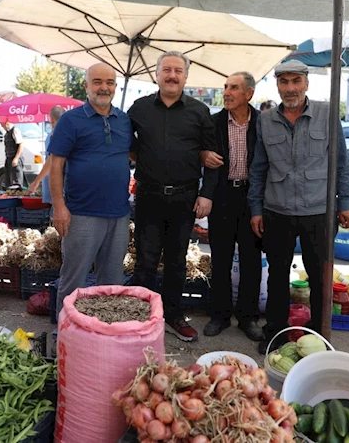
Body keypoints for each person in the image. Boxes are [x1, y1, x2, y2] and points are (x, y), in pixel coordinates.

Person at [248, 59, 349, 354]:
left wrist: (344, 202)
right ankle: (276, 334)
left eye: (296, 81)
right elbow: (258, 168)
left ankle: (320, 337)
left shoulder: (327, 114)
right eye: (284, 82)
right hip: (277, 209)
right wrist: (256, 208)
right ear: (278, 85)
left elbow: (341, 161)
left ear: (307, 83)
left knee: (320, 277)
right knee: (278, 276)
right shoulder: (266, 120)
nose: (290, 88)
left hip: (319, 210)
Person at [128, 51, 219, 342]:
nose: (172, 75)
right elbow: (128, 146)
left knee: (177, 262)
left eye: (178, 71)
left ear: (186, 76)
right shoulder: (139, 108)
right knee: (145, 260)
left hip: (185, 199)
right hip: (148, 197)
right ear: (157, 74)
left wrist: (207, 195)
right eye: (166, 69)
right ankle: (142, 316)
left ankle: (174, 316)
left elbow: (214, 158)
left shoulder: (199, 111)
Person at [48, 64, 133, 317]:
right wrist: (59, 206)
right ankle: (65, 332)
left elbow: (133, 154)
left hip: (119, 214)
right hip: (81, 213)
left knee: (112, 281)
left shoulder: (124, 120)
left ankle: (103, 333)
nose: (104, 87)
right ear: (86, 86)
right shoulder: (70, 120)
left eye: (109, 82)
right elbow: (56, 165)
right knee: (74, 279)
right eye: (97, 82)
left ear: (116, 87)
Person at [201, 71, 263, 341]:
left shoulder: (263, 123)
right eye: (225, 87)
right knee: (220, 259)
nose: (226, 92)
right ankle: (220, 315)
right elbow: (196, 150)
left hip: (252, 200)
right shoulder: (212, 123)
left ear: (248, 94)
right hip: (223, 197)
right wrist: (202, 154)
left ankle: (248, 318)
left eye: (234, 88)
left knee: (251, 261)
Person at [29, 106, 66, 205]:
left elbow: (51, 161)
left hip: (56, 183)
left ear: (52, 120)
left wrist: (36, 181)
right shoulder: (67, 134)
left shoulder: (56, 136)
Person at [0, 119, 24, 188]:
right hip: (8, 158)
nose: (2, 126)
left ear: (6, 123)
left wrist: (16, 158)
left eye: (2, 125)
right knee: (8, 182)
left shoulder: (15, 130)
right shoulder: (7, 133)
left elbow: (21, 144)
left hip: (15, 158)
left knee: (16, 183)